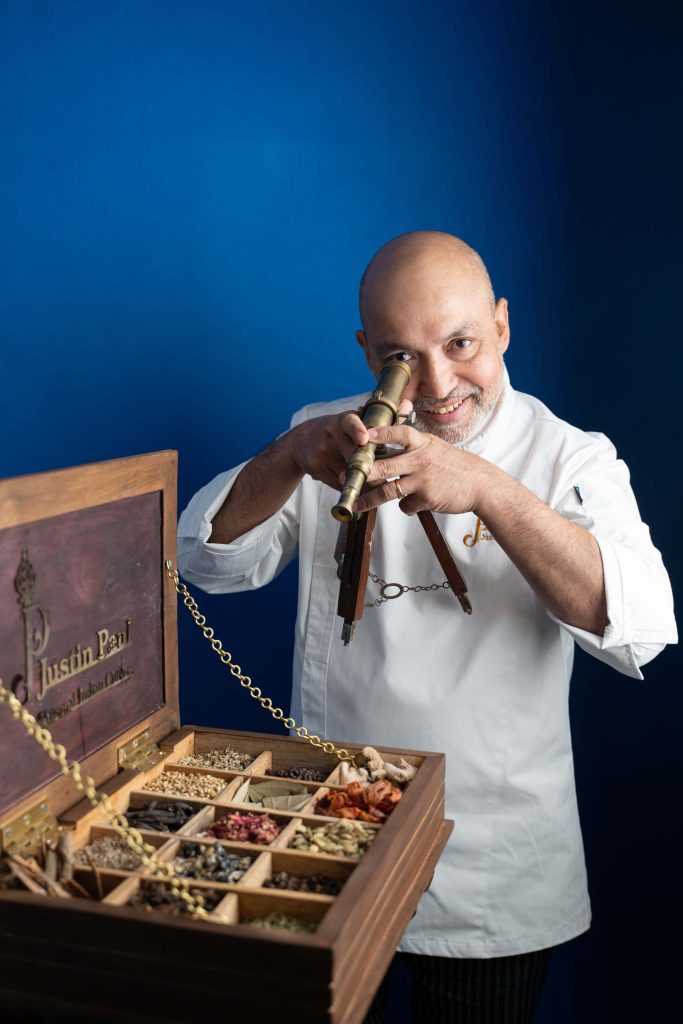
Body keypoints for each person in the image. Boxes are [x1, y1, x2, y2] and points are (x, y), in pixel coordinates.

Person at [178, 232, 677, 1022]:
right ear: (364, 349)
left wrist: (485, 489)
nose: (438, 383)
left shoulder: (572, 457)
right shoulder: (325, 434)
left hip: (492, 863)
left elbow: (638, 628)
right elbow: (204, 562)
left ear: (502, 326)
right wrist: (285, 457)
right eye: (401, 355)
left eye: (461, 343)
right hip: (332, 837)